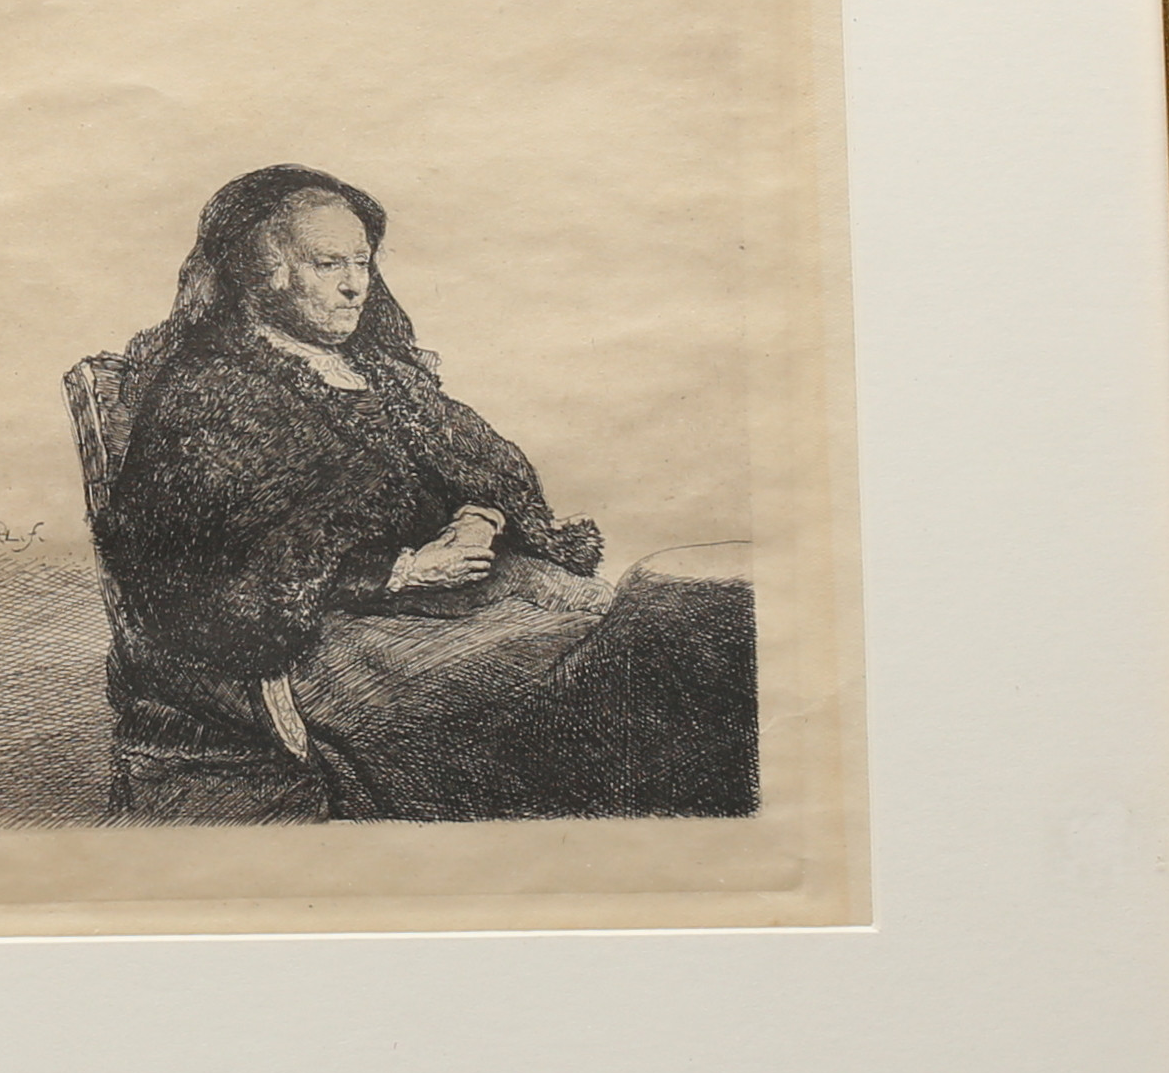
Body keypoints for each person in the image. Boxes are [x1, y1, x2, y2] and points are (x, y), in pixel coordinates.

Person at [94, 165, 753, 823]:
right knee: (586, 682)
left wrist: (478, 518)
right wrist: (403, 571)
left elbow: (486, 468)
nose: (355, 285)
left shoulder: (385, 374)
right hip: (340, 640)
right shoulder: (209, 394)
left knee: (657, 636)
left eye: (362, 262)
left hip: (472, 597)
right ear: (259, 272)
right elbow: (200, 579)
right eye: (328, 264)